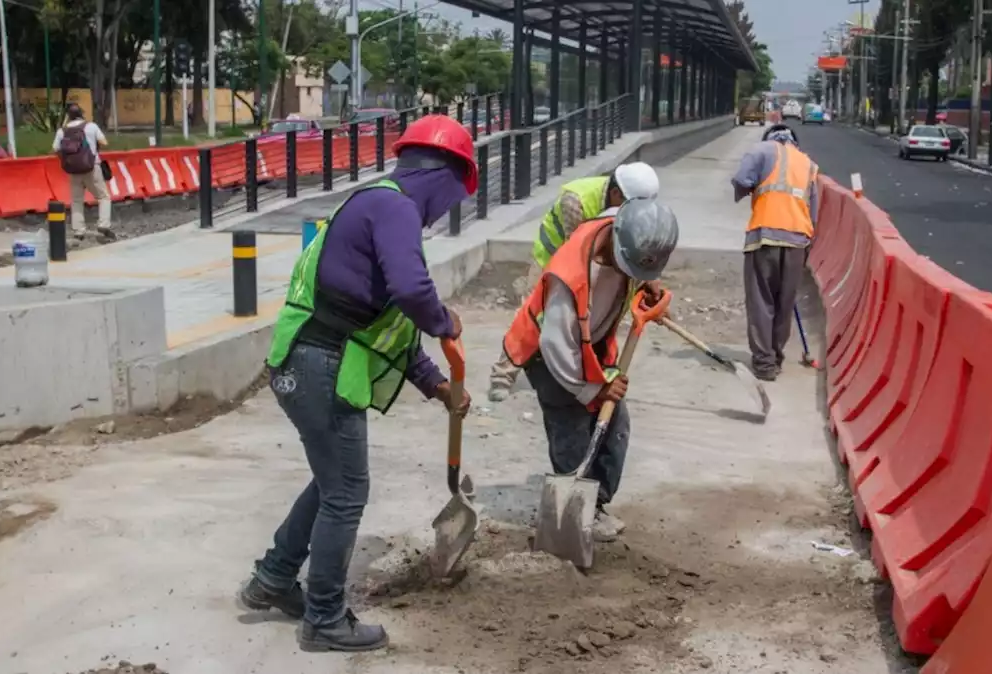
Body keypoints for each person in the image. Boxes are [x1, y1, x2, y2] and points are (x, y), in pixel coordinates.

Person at [239, 114, 477, 653]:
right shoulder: (394, 206)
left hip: (308, 362)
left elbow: (389, 330)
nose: (445, 212)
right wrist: (445, 320)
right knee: (347, 493)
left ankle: (274, 579)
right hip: (319, 365)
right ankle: (324, 619)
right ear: (447, 177)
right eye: (454, 198)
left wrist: (440, 388)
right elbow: (414, 292)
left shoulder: (378, 205)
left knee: (331, 483)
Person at [501, 197, 679, 542]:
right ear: (615, 245)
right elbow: (557, 346)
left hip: (589, 344)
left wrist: (647, 281)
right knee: (573, 427)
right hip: (549, 353)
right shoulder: (568, 275)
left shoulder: (623, 225)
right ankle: (575, 511)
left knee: (615, 424)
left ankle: (596, 504)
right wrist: (592, 390)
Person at [487, 162, 660, 402]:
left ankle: (577, 367)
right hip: (554, 256)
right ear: (616, 194)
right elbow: (579, 253)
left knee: (592, 316)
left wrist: (645, 278)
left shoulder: (627, 204)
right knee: (532, 316)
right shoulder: (575, 201)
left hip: (590, 255)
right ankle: (502, 375)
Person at [731, 123, 820, 382]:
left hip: (764, 236)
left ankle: (764, 363)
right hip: (797, 241)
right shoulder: (808, 164)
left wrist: (748, 189)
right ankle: (776, 357)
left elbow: (741, 181)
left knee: (761, 301)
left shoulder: (760, 150)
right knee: (784, 303)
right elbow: (813, 212)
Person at [52, 103, 112, 239]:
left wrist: (66, 160)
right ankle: (103, 224)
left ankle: (79, 231)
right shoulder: (91, 126)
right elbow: (104, 143)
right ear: (81, 113)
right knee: (103, 197)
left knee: (77, 200)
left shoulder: (62, 131)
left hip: (73, 169)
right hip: (92, 167)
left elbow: (56, 149)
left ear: (68, 116)